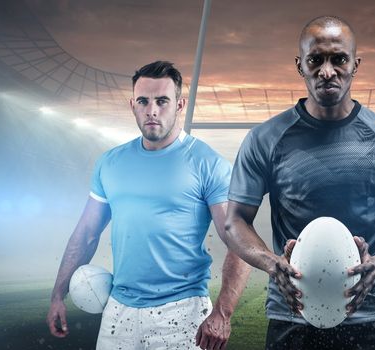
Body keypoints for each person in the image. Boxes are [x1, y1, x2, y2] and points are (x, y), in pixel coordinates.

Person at [222, 16, 375, 349]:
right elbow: (234, 222)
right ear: (300, 65)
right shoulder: (265, 139)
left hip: (373, 314)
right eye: (316, 60)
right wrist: (273, 264)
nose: (328, 70)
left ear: (355, 64)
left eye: (339, 59)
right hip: (293, 314)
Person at [46, 61, 251, 350]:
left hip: (182, 314)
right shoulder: (110, 163)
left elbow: (240, 244)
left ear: (179, 104)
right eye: (143, 101)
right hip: (118, 311)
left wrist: (223, 313)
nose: (151, 110)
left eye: (162, 101)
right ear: (133, 104)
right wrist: (57, 295)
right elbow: (86, 234)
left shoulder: (208, 164)